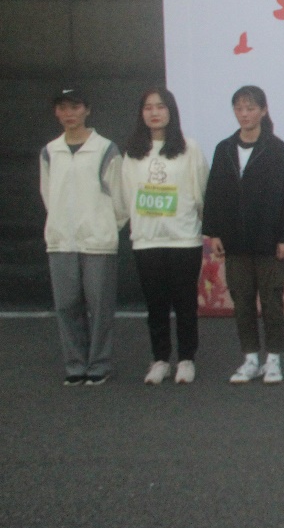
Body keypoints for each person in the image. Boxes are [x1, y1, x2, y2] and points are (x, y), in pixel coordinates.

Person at [203, 86, 284, 385]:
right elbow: (214, 193)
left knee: (272, 301)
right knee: (242, 300)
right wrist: (214, 233)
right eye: (239, 109)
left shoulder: (277, 149)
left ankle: (273, 359)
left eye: (250, 108)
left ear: (263, 111)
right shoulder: (224, 149)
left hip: (270, 241)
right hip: (235, 241)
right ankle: (249, 358)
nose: (244, 114)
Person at [121, 88, 209, 385]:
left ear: (171, 111)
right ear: (141, 114)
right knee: (155, 304)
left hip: (183, 238)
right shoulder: (133, 152)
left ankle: (186, 359)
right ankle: (160, 359)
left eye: (160, 106)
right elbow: (126, 194)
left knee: (185, 303)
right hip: (147, 239)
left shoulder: (189, 148)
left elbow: (201, 191)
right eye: (148, 107)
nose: (154, 112)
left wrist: (203, 226)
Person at [40, 88, 127, 385]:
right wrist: (61, 224)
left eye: (75, 107)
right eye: (63, 108)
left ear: (87, 110)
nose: (69, 114)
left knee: (100, 307)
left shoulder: (106, 149)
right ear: (56, 112)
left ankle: (99, 364)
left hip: (98, 242)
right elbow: (48, 194)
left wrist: (104, 227)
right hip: (61, 242)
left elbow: (120, 198)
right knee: (66, 306)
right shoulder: (50, 151)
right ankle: (75, 364)